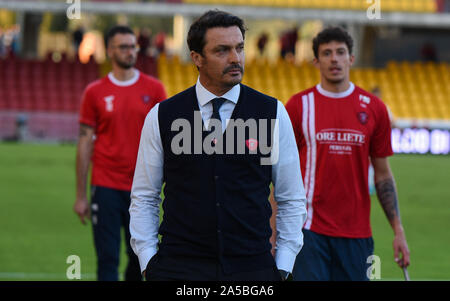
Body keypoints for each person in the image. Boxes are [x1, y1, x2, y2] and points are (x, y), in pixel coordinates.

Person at [129, 10, 307, 281]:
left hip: (252, 268)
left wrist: (284, 265)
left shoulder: (272, 112)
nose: (235, 58)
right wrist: (148, 262)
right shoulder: (163, 115)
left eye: (239, 48)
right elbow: (144, 196)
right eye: (222, 50)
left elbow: (291, 197)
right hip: (179, 268)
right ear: (197, 58)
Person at [285, 27, 410, 281]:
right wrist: (275, 231)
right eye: (327, 53)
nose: (334, 59)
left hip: (357, 235)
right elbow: (282, 173)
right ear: (316, 61)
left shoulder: (374, 108)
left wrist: (398, 231)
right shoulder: (298, 106)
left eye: (340, 52)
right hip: (308, 230)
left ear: (351, 59)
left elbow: (383, 175)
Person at [73, 25, 167, 281]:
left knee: (141, 257)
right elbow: (84, 143)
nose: (130, 51)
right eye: (123, 46)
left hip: (143, 189)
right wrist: (81, 195)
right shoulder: (95, 92)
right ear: (110, 50)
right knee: (107, 258)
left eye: (132, 46)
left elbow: (165, 141)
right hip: (105, 186)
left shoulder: (155, 89)